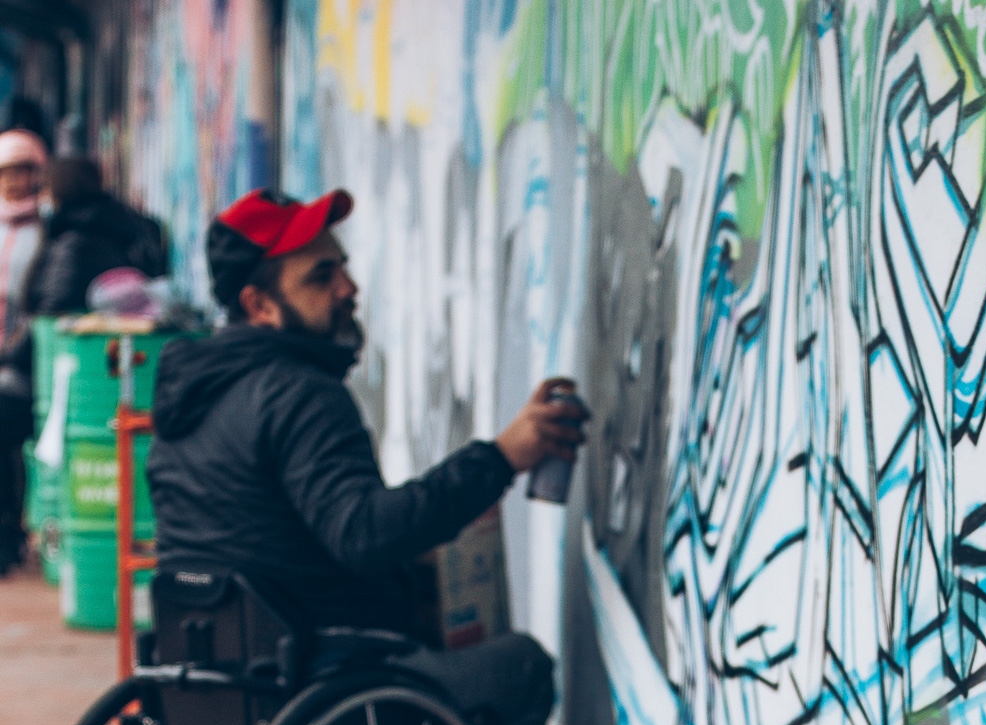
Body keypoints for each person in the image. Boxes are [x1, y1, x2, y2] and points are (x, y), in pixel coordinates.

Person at [147, 186, 586, 638]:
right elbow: (363, 537)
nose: (348, 288)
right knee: (520, 670)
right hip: (314, 666)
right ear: (260, 306)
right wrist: (500, 458)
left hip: (209, 671)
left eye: (343, 268)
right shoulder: (297, 394)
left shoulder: (191, 393)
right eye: (321, 277)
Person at [19, 153, 165, 316]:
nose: (41, 197)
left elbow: (53, 308)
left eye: (44, 188)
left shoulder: (73, 242)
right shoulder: (125, 224)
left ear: (60, 189)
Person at [0, 127, 47, 572]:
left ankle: (9, 538)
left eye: (24, 172)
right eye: (7, 173)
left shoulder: (47, 229)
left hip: (23, 365)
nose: (15, 183)